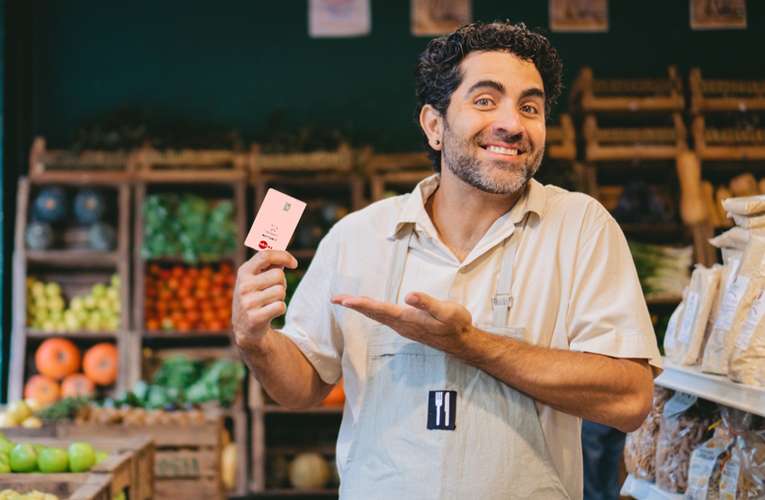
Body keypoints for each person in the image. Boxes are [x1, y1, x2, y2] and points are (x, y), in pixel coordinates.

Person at [233, 21, 662, 499]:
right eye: (485, 100)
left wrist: (470, 345)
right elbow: (302, 387)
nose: (513, 124)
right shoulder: (358, 236)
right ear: (435, 126)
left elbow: (630, 399)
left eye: (530, 107)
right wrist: (256, 340)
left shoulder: (580, 226)